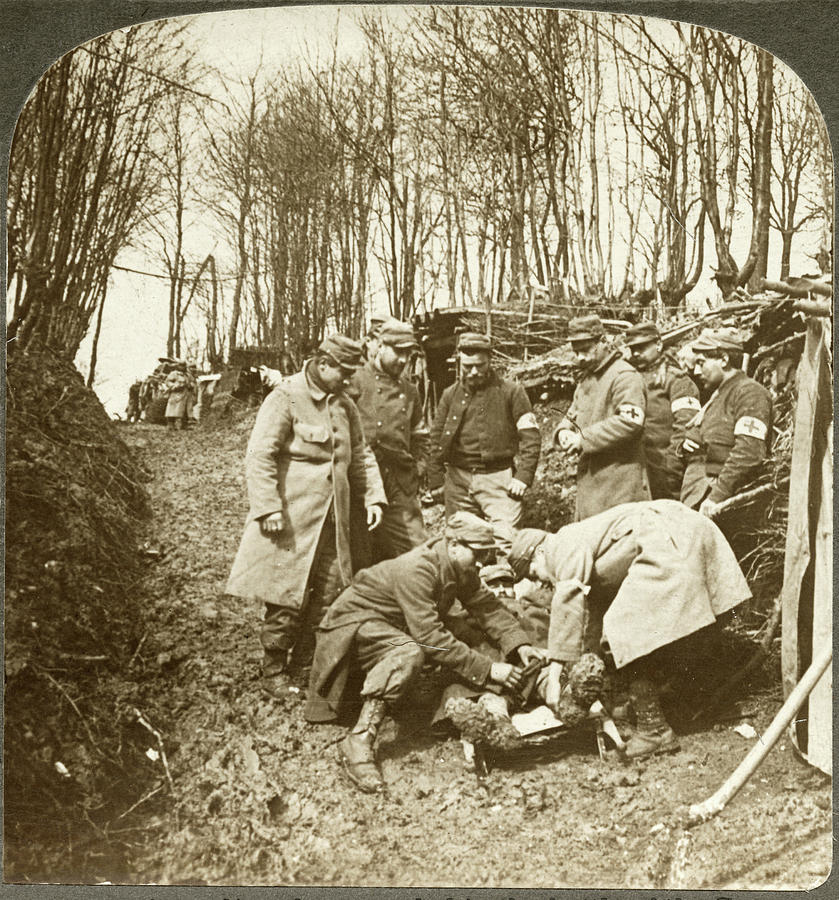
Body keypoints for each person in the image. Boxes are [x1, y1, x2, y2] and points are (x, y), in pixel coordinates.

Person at [305, 511, 546, 793]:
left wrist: (520, 644)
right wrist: (489, 669)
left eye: (487, 555)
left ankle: (506, 701)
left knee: (468, 631)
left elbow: (486, 607)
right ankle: (359, 738)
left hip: (392, 627)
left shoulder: (458, 565)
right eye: (478, 554)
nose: (482, 564)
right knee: (410, 652)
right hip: (352, 632)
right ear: (454, 544)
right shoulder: (418, 569)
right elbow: (429, 637)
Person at [509, 499, 752, 758]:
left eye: (535, 574)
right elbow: (590, 619)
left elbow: (568, 597)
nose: (543, 582)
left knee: (623, 629)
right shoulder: (585, 544)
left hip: (665, 533)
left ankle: (654, 730)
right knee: (648, 627)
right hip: (684, 527)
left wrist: (557, 676)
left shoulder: (560, 543)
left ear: (537, 553)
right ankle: (673, 703)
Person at [226, 334, 387, 697]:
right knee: (287, 594)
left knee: (331, 591)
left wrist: (374, 496)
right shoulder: (285, 396)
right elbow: (260, 455)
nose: (348, 381)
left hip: (335, 520)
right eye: (343, 372)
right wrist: (267, 507)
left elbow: (360, 455)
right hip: (292, 519)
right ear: (323, 363)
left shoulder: (344, 405)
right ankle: (274, 670)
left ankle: (306, 666)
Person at [428, 332, 541, 559]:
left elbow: (531, 437)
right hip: (458, 480)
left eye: (479, 365)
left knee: (506, 542)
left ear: (490, 360)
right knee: (460, 543)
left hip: (499, 480)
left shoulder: (512, 392)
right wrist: (436, 479)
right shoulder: (450, 395)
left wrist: (523, 477)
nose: (473, 372)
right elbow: (436, 438)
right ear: (460, 361)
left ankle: (504, 589)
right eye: (467, 366)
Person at [552, 315, 651, 520]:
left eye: (586, 349)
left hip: (620, 485)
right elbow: (573, 413)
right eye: (576, 351)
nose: (580, 357)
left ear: (603, 342)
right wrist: (563, 431)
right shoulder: (586, 380)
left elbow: (630, 422)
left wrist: (583, 438)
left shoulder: (624, 376)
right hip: (591, 482)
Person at [349, 319, 430, 562]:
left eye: (408, 353)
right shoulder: (354, 380)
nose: (404, 360)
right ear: (380, 346)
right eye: (398, 351)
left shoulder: (410, 390)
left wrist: (418, 469)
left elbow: (421, 437)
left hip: (399, 482)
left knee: (417, 551)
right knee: (359, 553)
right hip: (360, 479)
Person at [679, 327, 774, 517]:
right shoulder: (717, 394)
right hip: (699, 494)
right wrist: (686, 445)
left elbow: (749, 452)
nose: (696, 371)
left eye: (701, 363)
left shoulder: (749, 393)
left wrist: (717, 496)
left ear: (724, 359)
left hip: (725, 502)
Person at [625, 321, 700, 499]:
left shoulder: (676, 380)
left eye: (642, 347)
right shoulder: (628, 378)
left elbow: (687, 424)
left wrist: (671, 465)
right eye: (633, 348)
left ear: (658, 344)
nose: (636, 353)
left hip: (664, 470)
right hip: (634, 469)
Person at [164, 362, 195, 429]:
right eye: (181, 365)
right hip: (176, 394)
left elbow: (192, 381)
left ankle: (184, 425)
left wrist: (191, 385)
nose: (182, 367)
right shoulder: (174, 374)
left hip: (186, 394)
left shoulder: (188, 375)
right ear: (178, 366)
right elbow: (167, 382)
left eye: (184, 366)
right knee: (173, 409)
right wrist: (175, 386)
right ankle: (171, 425)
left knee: (186, 410)